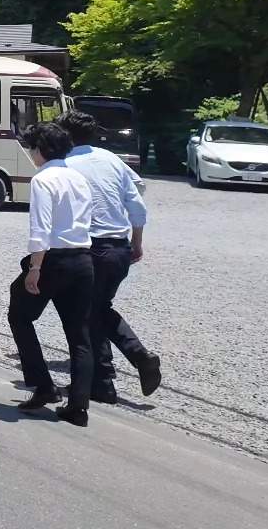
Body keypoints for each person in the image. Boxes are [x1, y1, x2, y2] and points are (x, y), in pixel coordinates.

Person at [58, 110, 162, 401]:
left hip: (89, 248)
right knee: (97, 308)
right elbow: (137, 199)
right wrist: (136, 241)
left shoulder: (64, 164)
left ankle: (118, 371)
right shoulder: (111, 159)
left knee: (88, 312)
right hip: (119, 246)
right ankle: (112, 374)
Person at [10, 121, 97, 427]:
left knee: (20, 316)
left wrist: (35, 267)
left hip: (53, 260)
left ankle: (44, 386)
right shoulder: (80, 177)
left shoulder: (44, 179)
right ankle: (79, 407)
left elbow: (41, 228)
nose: (30, 153)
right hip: (83, 259)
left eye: (31, 147)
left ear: (40, 149)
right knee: (80, 335)